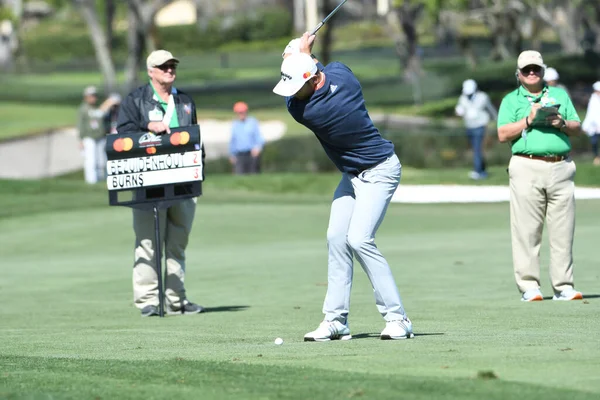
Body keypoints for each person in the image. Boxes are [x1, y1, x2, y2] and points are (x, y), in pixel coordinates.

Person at [275, 33, 413, 341]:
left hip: (381, 171)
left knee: (359, 239)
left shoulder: (307, 112)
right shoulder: (343, 76)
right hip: (352, 175)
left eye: (297, 87)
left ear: (311, 81)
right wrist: (304, 55)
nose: (293, 94)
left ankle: (398, 318)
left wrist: (295, 53)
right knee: (336, 237)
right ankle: (336, 320)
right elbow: (325, 67)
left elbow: (301, 81)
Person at [116, 49, 204, 317]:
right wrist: (147, 127)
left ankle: (175, 300)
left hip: (183, 181)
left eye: (172, 65)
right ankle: (148, 301)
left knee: (177, 243)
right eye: (163, 66)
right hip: (148, 181)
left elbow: (195, 138)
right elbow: (123, 137)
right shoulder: (135, 101)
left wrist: (199, 171)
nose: (169, 70)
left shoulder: (185, 101)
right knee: (148, 243)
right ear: (150, 71)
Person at [497, 50, 583, 302]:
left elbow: (577, 126)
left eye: (536, 69)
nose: (532, 73)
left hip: (561, 167)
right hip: (526, 166)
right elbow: (503, 134)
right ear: (519, 74)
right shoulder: (511, 100)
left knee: (563, 230)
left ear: (543, 71)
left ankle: (563, 286)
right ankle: (529, 286)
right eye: (527, 70)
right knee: (527, 230)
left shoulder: (559, 95)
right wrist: (528, 119)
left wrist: (562, 124)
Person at [455, 79, 498, 180]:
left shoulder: (483, 97)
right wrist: (459, 112)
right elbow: (460, 109)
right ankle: (482, 171)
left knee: (477, 149)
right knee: (475, 149)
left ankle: (478, 171)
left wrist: (497, 120)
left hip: (480, 125)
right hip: (469, 126)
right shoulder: (463, 98)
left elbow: (490, 109)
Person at [77, 86, 120, 184]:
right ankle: (91, 181)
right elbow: (82, 124)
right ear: (86, 97)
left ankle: (101, 179)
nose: (93, 98)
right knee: (91, 161)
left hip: (100, 137)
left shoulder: (96, 106)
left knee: (101, 160)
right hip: (89, 137)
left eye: (94, 96)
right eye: (91, 96)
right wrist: (80, 140)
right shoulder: (84, 109)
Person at [229, 101, 264, 174]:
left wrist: (258, 148)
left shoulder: (252, 122)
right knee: (239, 175)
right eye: (239, 112)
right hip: (239, 155)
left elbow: (258, 137)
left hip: (251, 153)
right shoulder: (235, 125)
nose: (241, 114)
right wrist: (232, 154)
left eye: (242, 112)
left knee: (253, 174)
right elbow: (233, 141)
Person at [581, 81, 600, 166]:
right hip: (594, 126)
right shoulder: (593, 99)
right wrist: (585, 126)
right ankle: (596, 157)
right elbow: (590, 114)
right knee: (594, 142)